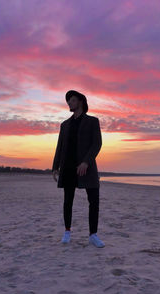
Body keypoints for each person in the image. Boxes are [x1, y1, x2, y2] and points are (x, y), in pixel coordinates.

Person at [52, 90, 105, 248]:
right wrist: (55, 166)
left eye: (72, 100)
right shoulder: (65, 125)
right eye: (68, 101)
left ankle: (93, 235)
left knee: (93, 200)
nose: (69, 103)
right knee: (68, 200)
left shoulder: (92, 121)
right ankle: (67, 232)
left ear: (80, 102)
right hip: (67, 166)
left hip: (86, 167)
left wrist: (86, 162)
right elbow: (59, 146)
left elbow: (97, 144)